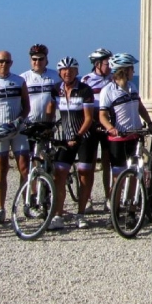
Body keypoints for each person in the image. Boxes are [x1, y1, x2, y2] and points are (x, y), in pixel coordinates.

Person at [51, 57, 97, 229]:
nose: (67, 73)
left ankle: (81, 213)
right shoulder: (56, 90)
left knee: (84, 173)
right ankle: (58, 215)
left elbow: (88, 118)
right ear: (59, 72)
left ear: (77, 72)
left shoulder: (85, 90)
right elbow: (50, 111)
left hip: (84, 137)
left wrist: (78, 136)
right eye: (64, 70)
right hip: (65, 138)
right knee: (59, 174)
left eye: (71, 70)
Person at [0, 50, 30, 226]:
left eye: (7, 61)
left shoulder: (19, 81)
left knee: (24, 168)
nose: (4, 64)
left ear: (11, 63)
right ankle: (0, 208)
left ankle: (25, 204)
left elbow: (27, 105)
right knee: (1, 169)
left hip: (18, 129)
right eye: (0, 61)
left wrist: (20, 120)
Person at [98, 53, 152, 183]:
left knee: (135, 174)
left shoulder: (132, 86)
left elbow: (140, 107)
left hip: (134, 135)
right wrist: (111, 128)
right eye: (131, 68)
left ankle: (134, 197)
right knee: (118, 177)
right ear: (124, 70)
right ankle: (115, 197)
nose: (133, 71)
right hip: (118, 138)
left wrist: (150, 123)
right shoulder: (108, 90)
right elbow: (102, 116)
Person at [81, 48, 114, 206]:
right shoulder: (87, 80)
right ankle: (87, 198)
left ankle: (109, 196)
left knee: (108, 161)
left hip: (108, 121)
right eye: (108, 63)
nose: (110, 66)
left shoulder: (113, 79)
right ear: (97, 64)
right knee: (91, 162)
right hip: (93, 122)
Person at [22, 44, 60, 124]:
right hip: (29, 123)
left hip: (51, 124)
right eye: (34, 59)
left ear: (46, 59)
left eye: (41, 59)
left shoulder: (57, 76)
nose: (37, 62)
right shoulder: (23, 78)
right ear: (30, 60)